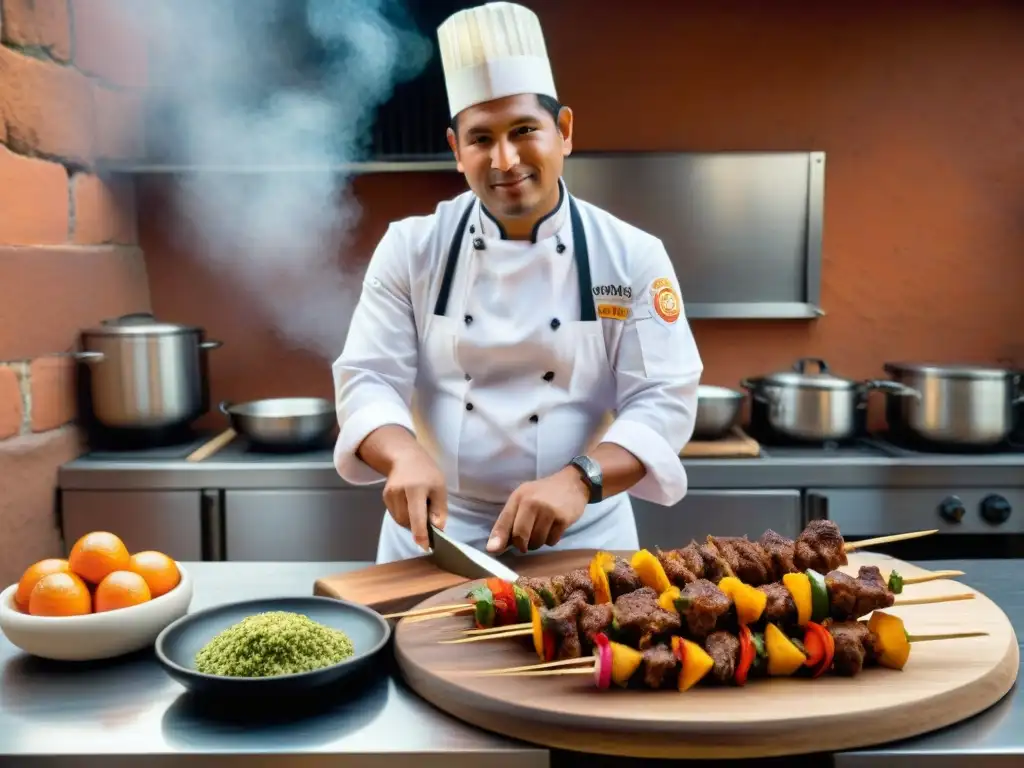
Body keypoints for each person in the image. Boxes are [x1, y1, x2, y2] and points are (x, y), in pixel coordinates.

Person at [332, 1, 703, 564]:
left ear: (565, 131)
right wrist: (402, 453)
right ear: (457, 151)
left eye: (524, 129)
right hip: (436, 536)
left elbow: (663, 399)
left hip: (583, 538)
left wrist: (580, 480)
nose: (505, 159)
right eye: (481, 139)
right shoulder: (412, 248)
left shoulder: (631, 255)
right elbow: (367, 378)